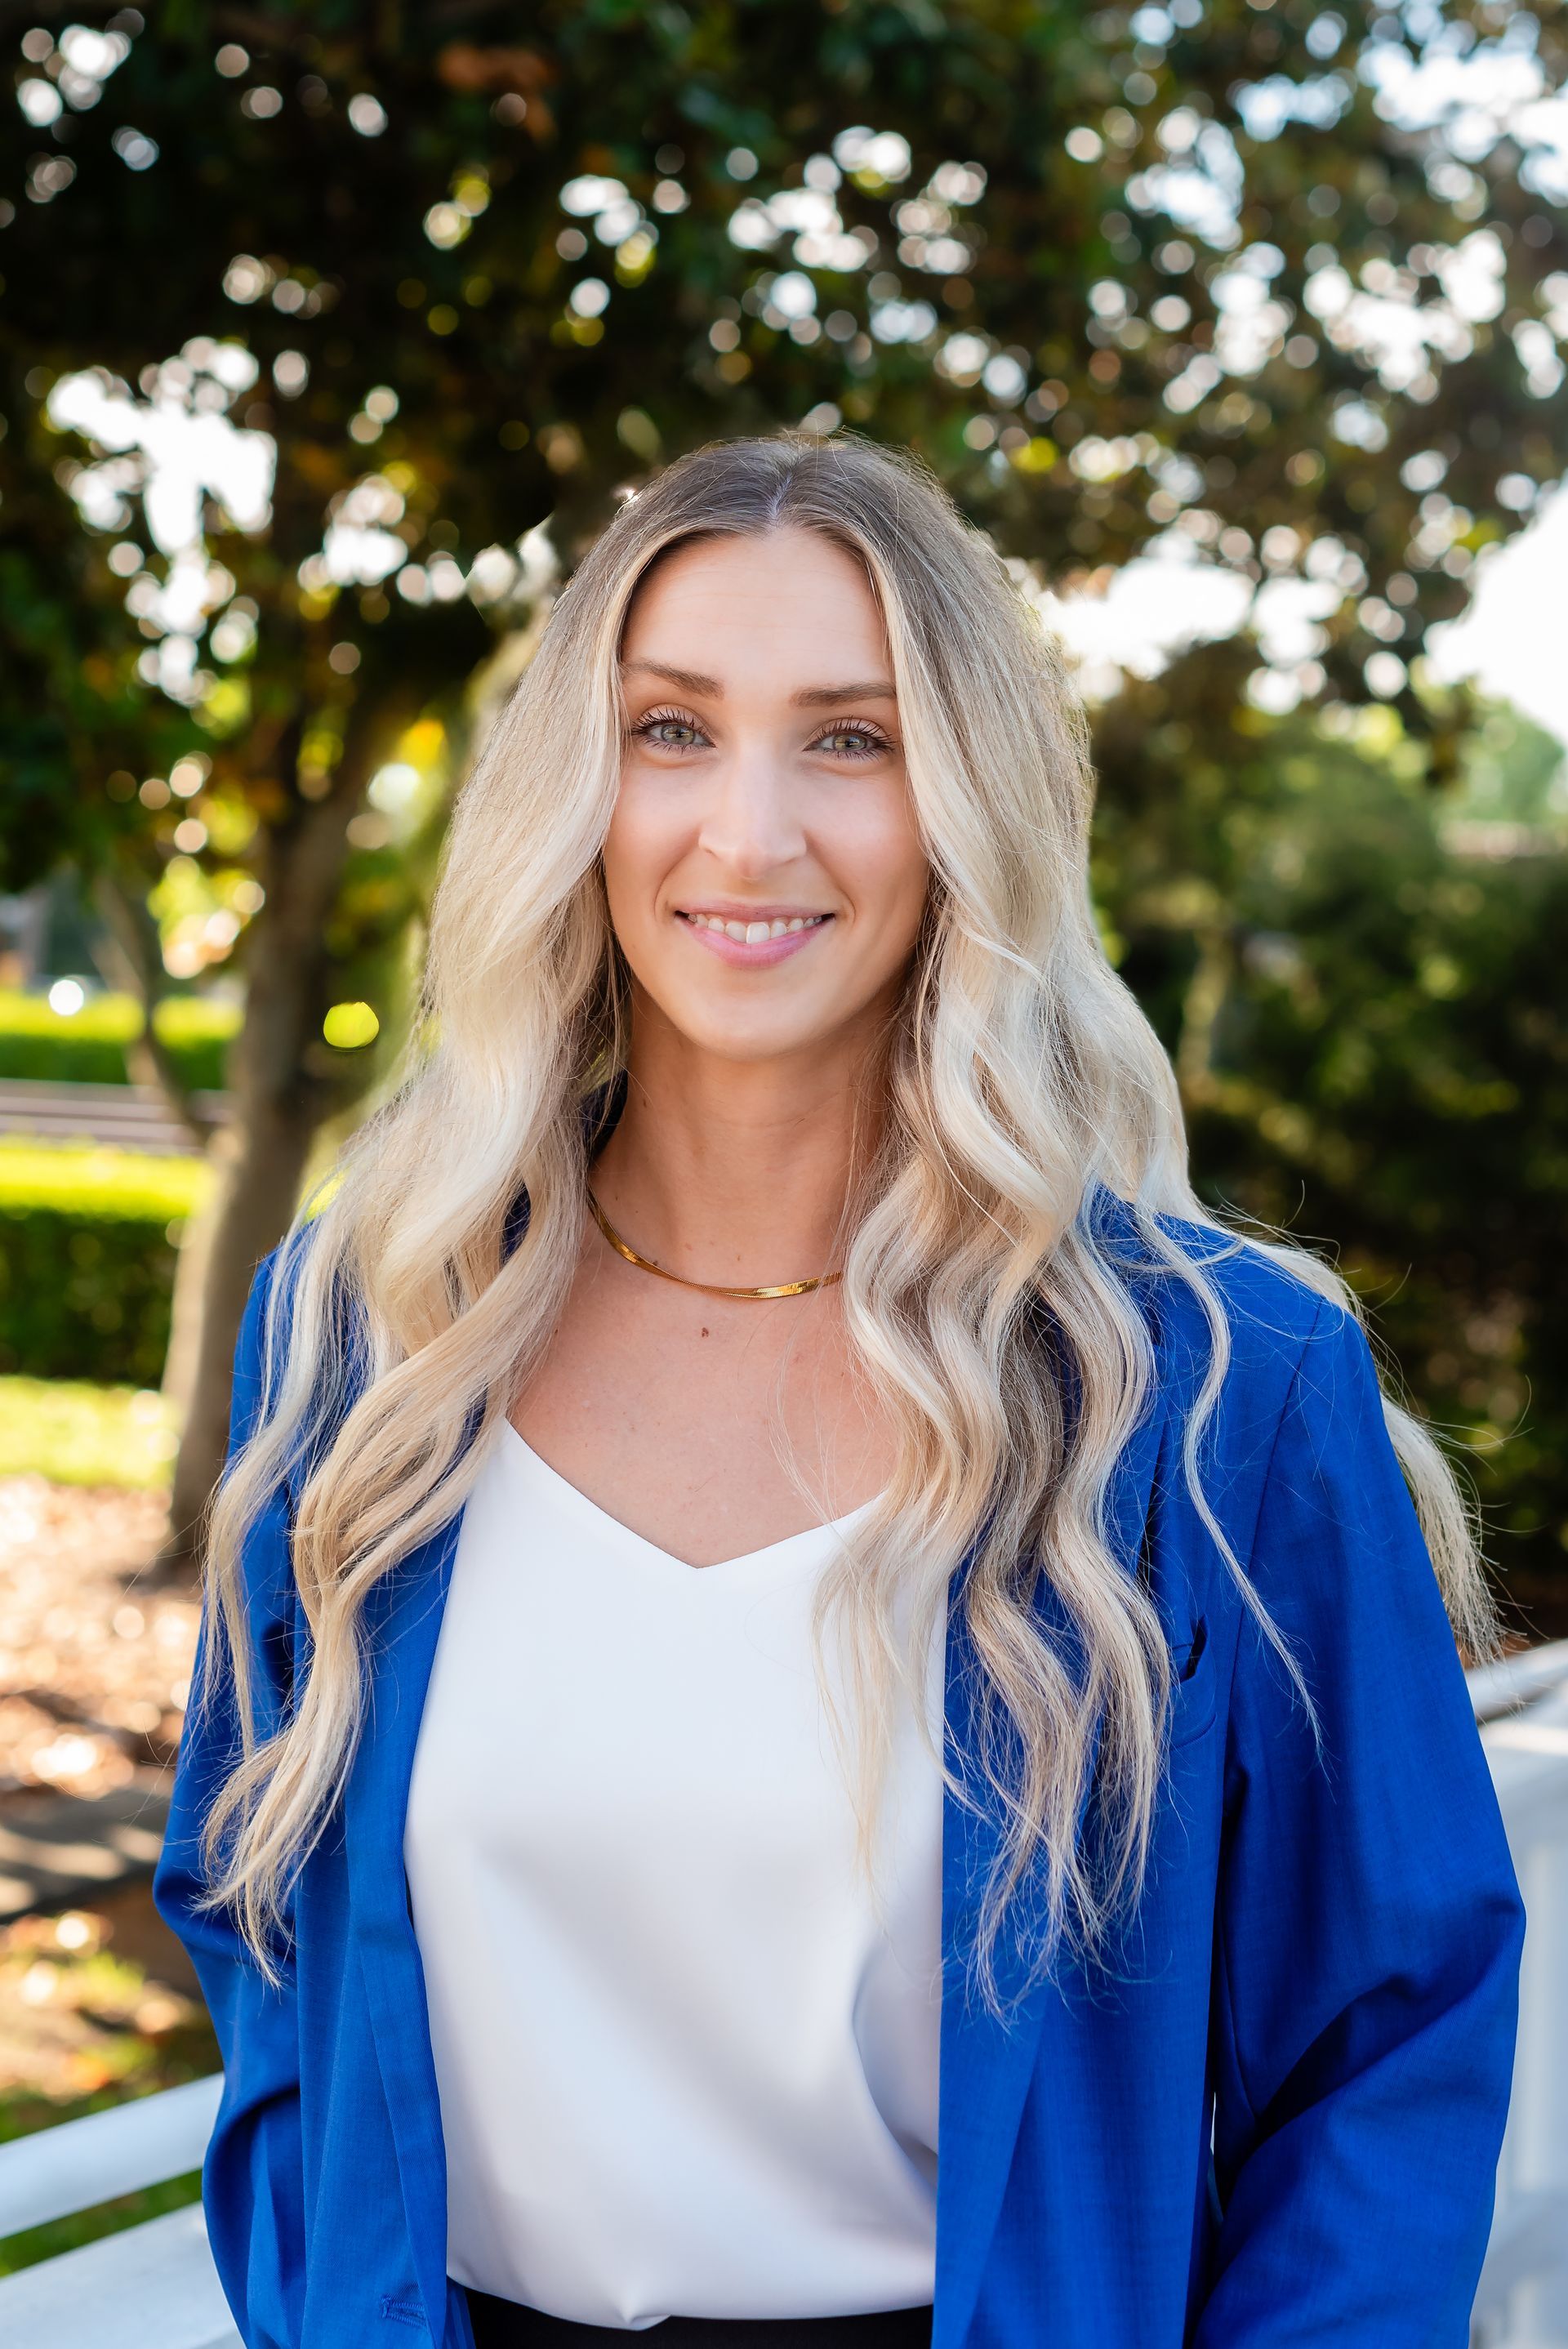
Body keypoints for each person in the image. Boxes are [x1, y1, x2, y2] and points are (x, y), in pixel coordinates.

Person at [154, 430, 1525, 2349]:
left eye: (853, 739)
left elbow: (1392, 2036)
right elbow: (253, 1906)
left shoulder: (1214, 1391)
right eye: (673, 728)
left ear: (970, 802)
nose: (750, 831)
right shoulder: (369, 1331)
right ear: (579, 785)